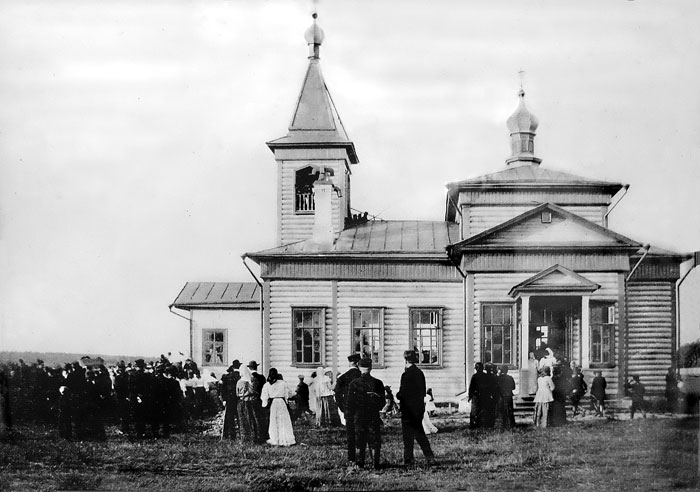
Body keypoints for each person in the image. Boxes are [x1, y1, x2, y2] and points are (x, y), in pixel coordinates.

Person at [397, 350, 436, 467]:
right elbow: (422, 392)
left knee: (407, 437)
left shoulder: (405, 375)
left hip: (408, 410)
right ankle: (430, 458)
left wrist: (397, 395)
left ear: (405, 360)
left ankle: (409, 460)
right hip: (418, 409)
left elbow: (402, 393)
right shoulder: (420, 373)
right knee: (420, 434)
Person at [346, 358, 385, 469]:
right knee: (374, 439)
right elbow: (382, 402)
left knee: (359, 439)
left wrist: (350, 416)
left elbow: (349, 403)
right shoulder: (378, 383)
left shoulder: (354, 383)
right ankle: (375, 464)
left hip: (358, 416)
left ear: (358, 367)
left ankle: (360, 464)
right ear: (371, 367)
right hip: (373, 416)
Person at [261, 369, 295, 446]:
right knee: (283, 420)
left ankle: (275, 439)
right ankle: (286, 438)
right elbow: (289, 393)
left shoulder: (267, 385)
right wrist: (286, 399)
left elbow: (264, 396)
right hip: (281, 402)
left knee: (274, 420)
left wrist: (265, 404)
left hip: (273, 403)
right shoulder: (283, 383)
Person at [237, 366, 264, 443]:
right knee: (253, 419)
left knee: (243, 420)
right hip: (252, 402)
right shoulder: (253, 380)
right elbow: (256, 391)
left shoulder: (239, 382)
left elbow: (237, 393)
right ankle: (255, 437)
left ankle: (245, 438)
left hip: (243, 402)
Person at [220, 361, 241, 439]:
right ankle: (241, 434)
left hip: (229, 399)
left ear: (232, 367)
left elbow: (223, 389)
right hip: (238, 399)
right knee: (239, 417)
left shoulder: (226, 376)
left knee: (229, 417)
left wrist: (224, 399)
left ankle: (231, 435)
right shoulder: (241, 376)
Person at [467, 362, 488, 429]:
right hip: (481, 395)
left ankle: (474, 425)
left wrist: (470, 396)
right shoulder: (485, 376)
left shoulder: (475, 376)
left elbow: (471, 388)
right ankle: (480, 425)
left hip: (477, 396)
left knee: (475, 411)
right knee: (481, 410)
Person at [496, 365, 516, 430]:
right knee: (509, 410)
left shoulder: (498, 378)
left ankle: (501, 425)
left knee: (501, 411)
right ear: (507, 371)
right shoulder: (510, 378)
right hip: (508, 396)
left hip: (501, 396)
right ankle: (510, 425)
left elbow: (497, 387)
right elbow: (513, 387)